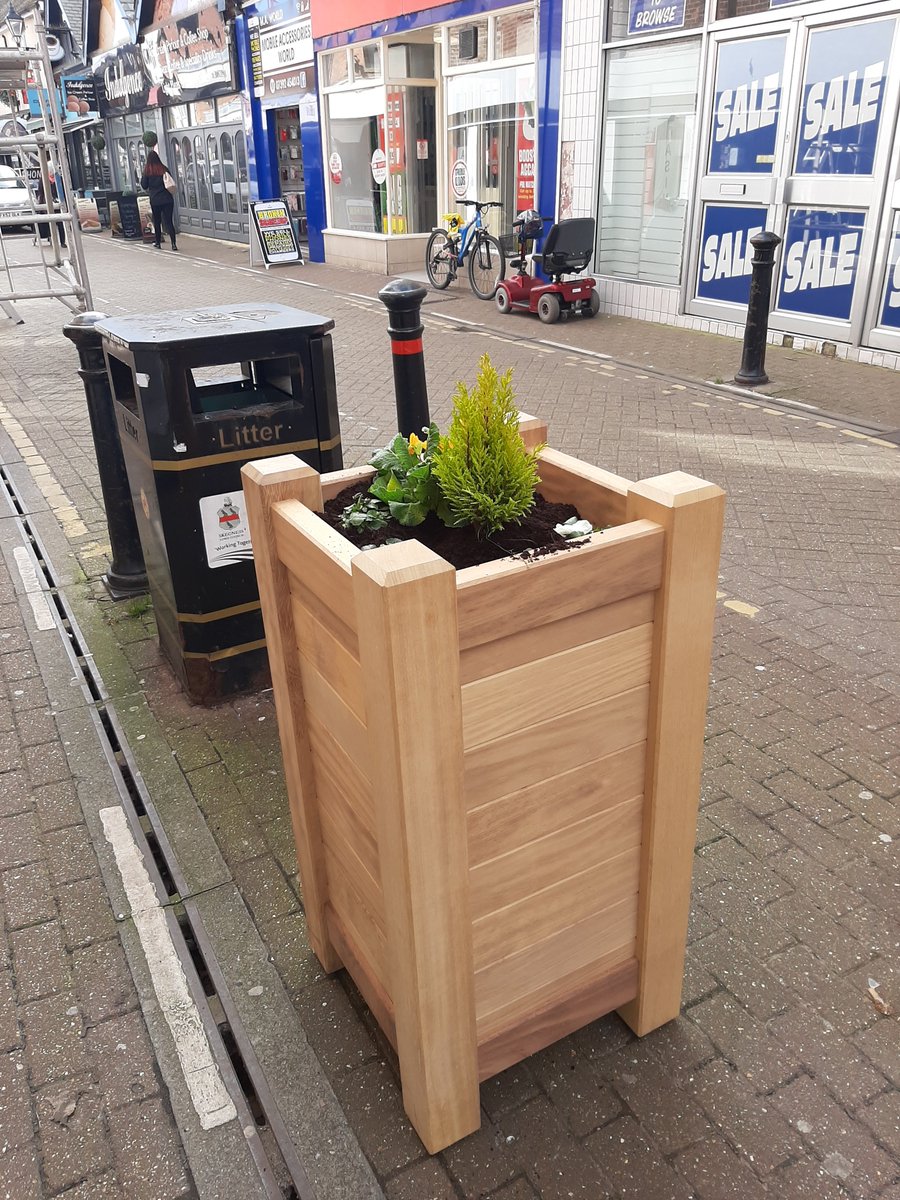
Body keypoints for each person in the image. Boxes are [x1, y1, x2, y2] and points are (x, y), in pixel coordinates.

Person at [140, 149, 177, 251]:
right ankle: (173, 244)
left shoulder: (147, 171)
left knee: (157, 222)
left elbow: (144, 185)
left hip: (155, 200)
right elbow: (170, 181)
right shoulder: (164, 169)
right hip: (167, 199)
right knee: (169, 221)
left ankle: (157, 242)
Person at [34, 174, 66, 248]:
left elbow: (63, 191)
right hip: (46, 203)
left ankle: (62, 242)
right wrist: (41, 204)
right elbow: (40, 192)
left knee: (60, 223)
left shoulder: (59, 178)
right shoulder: (43, 178)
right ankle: (50, 238)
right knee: (48, 222)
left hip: (57, 204)